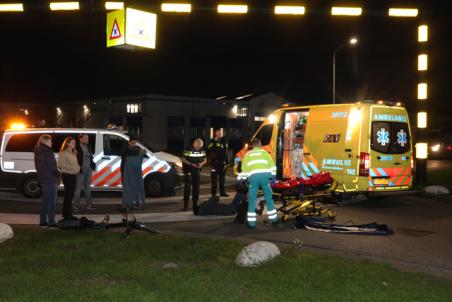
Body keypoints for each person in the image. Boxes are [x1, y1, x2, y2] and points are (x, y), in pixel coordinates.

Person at [238, 138, 278, 229]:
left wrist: (245, 180)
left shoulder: (247, 155)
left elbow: (244, 171)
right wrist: (272, 177)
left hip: (253, 179)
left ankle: (251, 224)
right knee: (269, 198)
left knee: (252, 200)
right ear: (260, 145)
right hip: (265, 178)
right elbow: (272, 166)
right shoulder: (265, 153)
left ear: (252, 146)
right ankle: (274, 220)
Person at [34, 134, 59, 229]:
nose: (52, 143)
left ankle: (43, 222)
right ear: (45, 142)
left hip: (43, 179)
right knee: (52, 202)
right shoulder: (47, 152)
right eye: (50, 141)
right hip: (50, 179)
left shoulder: (38, 151)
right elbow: (52, 166)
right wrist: (58, 173)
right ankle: (51, 223)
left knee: (45, 201)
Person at [57, 137, 80, 220]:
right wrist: (72, 168)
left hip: (73, 175)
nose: (74, 144)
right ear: (67, 143)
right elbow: (60, 165)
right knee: (68, 195)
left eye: (74, 143)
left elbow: (76, 164)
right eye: (72, 143)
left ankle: (69, 213)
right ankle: (66, 214)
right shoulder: (63, 153)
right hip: (67, 176)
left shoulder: (74, 153)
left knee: (71, 195)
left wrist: (77, 168)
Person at [182, 138, 207, 214]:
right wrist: (191, 164)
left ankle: (195, 204)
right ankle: (185, 205)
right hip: (188, 170)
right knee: (187, 187)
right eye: (197, 147)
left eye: (199, 147)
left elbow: (205, 159)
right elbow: (183, 159)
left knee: (196, 187)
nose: (198, 148)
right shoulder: (188, 148)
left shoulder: (202, 149)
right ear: (194, 144)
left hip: (197, 170)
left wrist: (202, 164)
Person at [121, 135, 146, 209]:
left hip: (134, 172)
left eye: (135, 142)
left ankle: (134, 202)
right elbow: (124, 161)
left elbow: (143, 154)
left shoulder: (138, 149)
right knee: (129, 187)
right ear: (129, 142)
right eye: (132, 142)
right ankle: (129, 203)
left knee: (133, 186)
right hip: (128, 172)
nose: (134, 144)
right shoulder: (126, 149)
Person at [74, 134, 96, 211]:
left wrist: (92, 165)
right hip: (80, 171)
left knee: (88, 188)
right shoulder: (76, 147)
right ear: (80, 139)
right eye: (85, 138)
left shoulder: (88, 146)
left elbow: (90, 156)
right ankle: (76, 205)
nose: (87, 140)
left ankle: (88, 204)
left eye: (88, 138)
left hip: (88, 170)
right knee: (78, 189)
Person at [208, 128, 229, 197]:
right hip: (215, 163)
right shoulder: (212, 141)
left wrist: (227, 161)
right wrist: (215, 140)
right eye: (219, 133)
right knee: (214, 180)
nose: (220, 134)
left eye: (221, 133)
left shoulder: (224, 141)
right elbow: (209, 149)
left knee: (222, 179)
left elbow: (226, 152)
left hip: (222, 163)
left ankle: (222, 193)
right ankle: (213, 194)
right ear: (216, 134)